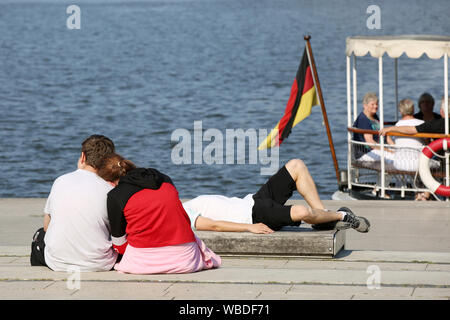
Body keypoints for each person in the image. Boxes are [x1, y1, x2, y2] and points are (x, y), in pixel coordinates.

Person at [96, 153, 221, 274]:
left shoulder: (115, 195)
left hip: (142, 263)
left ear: (110, 182)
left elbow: (119, 243)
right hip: (186, 259)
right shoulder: (164, 178)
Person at [181, 159, 370, 234]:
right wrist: (249, 228)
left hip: (253, 200)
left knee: (296, 165)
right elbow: (214, 226)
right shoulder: (181, 216)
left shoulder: (183, 205)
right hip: (255, 216)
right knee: (302, 211)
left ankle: (322, 216)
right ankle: (341, 215)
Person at [30, 135, 119, 272]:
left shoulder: (61, 181)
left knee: (39, 234)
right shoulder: (110, 190)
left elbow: (47, 227)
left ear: (83, 157)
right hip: (100, 264)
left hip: (58, 262)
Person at [352, 92, 394, 162]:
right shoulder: (363, 119)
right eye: (372, 104)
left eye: (376, 104)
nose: (375, 106)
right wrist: (387, 150)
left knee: (399, 153)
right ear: (365, 106)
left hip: (378, 149)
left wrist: (395, 147)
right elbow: (370, 142)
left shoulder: (375, 116)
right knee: (391, 156)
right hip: (366, 153)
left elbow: (385, 135)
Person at [380, 96, 449, 136]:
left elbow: (412, 130)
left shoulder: (437, 123)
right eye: (423, 102)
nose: (426, 105)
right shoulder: (423, 123)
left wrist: (390, 128)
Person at [390, 99, 425, 172]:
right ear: (413, 109)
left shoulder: (397, 125)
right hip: (419, 163)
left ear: (400, 110)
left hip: (400, 163)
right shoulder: (421, 123)